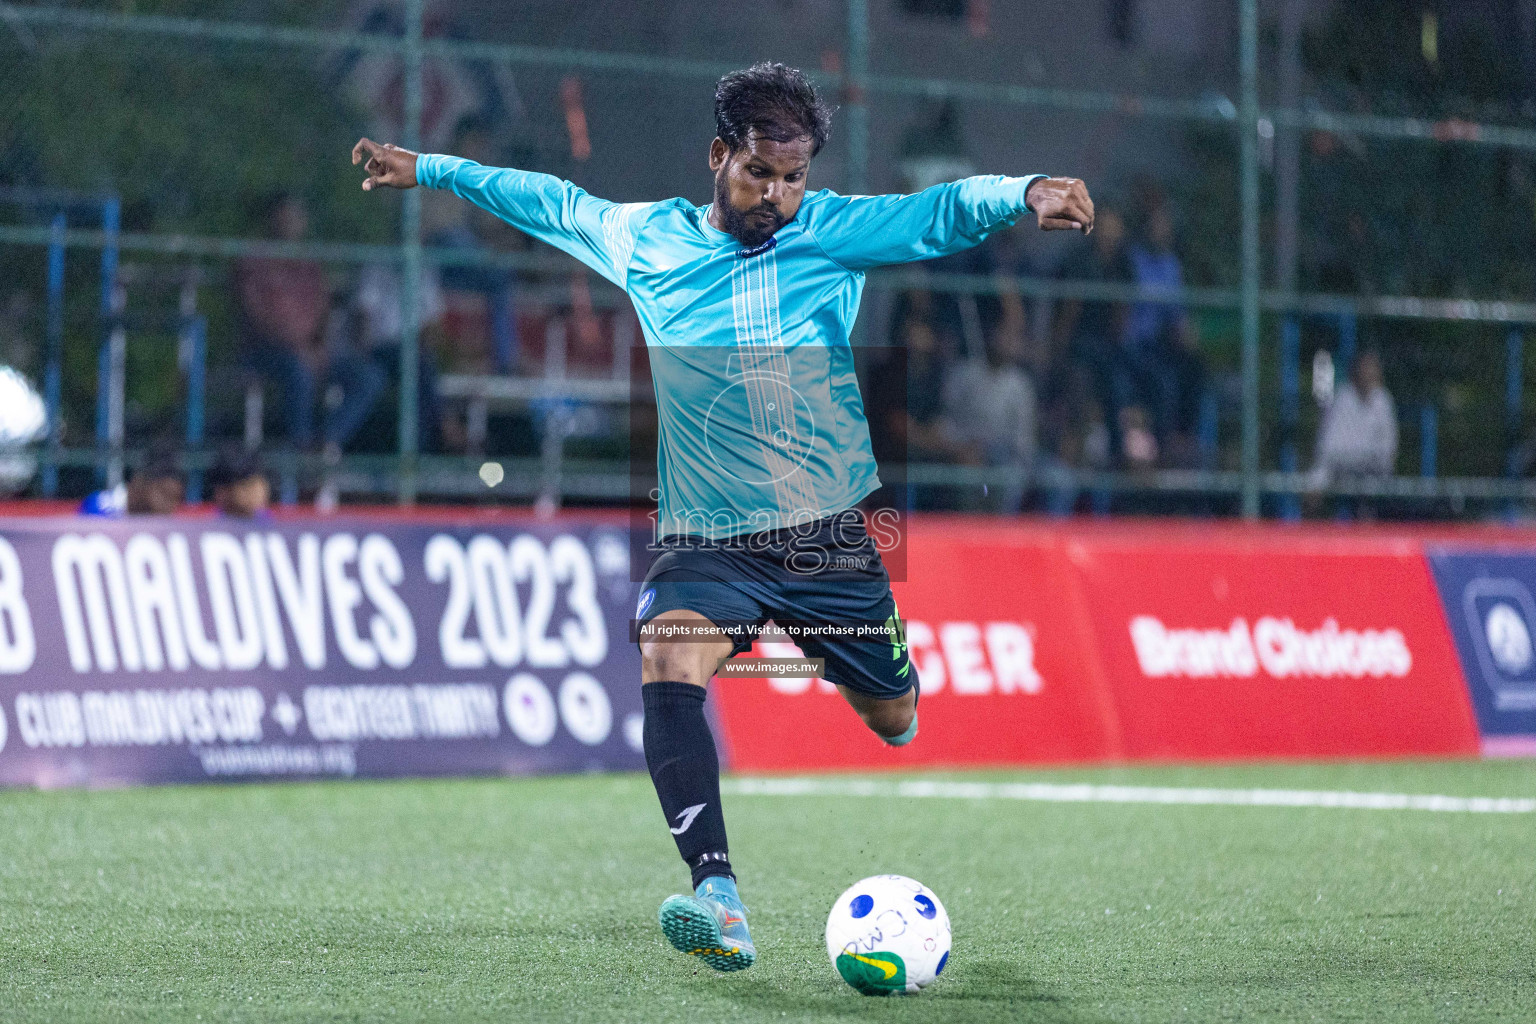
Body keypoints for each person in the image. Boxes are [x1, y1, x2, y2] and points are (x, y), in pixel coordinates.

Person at [352, 61, 1093, 974]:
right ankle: (719, 894)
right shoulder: (645, 241)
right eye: (758, 175)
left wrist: (1023, 192)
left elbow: (939, 211)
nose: (776, 197)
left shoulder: (833, 233)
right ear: (718, 156)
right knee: (668, 652)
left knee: (894, 717)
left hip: (826, 536)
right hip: (707, 536)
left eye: (792, 179)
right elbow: (542, 198)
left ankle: (858, 662)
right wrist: (428, 167)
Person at [234, 192, 385, 455]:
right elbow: (257, 317)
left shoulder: (309, 264)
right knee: (298, 372)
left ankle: (325, 442)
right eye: (286, 215)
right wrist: (298, 349)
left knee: (368, 377)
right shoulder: (253, 261)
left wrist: (318, 346)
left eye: (297, 216)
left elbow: (324, 311)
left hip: (311, 352)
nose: (292, 222)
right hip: (267, 352)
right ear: (273, 219)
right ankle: (300, 450)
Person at [1310, 348, 1397, 514]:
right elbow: (1329, 450)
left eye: (1374, 369)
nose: (1370, 374)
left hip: (1374, 470)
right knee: (1316, 486)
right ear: (1356, 372)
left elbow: (1388, 448)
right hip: (1341, 468)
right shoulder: (1342, 399)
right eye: (1366, 368)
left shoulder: (1383, 400)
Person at [80, 448, 183, 516]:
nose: (170, 506)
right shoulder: (100, 509)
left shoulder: (166, 529)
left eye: (175, 499)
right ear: (141, 483)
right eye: (165, 495)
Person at [207, 446, 272, 520]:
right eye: (247, 485)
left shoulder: (275, 524)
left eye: (261, 483)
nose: (258, 491)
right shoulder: (207, 526)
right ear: (223, 491)